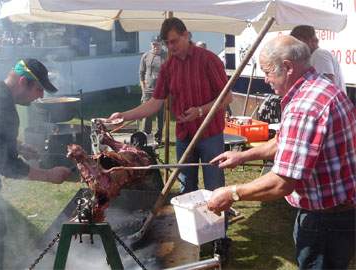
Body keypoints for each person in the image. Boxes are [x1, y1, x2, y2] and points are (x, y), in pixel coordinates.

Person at [207, 35, 356, 270]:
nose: (265, 79)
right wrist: (242, 156)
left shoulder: (305, 107)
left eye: (267, 71)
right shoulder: (318, 88)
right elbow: (283, 142)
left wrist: (232, 193)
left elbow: (282, 182)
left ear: (287, 67)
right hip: (334, 215)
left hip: (326, 221)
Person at [106, 17, 233, 258]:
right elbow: (154, 103)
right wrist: (125, 116)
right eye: (167, 43)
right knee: (187, 189)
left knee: (215, 186)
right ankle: (193, 237)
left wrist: (199, 111)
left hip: (210, 134)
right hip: (184, 135)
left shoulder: (209, 60)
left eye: (174, 41)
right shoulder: (168, 67)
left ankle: (220, 239)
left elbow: (226, 98)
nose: (171, 47)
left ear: (187, 35)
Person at [0, 58, 72, 269]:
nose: (41, 96)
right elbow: (6, 165)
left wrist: (17, 146)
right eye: (39, 89)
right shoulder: (4, 107)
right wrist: (49, 175)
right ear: (23, 81)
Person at [290, 25, 346, 93]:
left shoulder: (319, 55)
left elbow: (327, 86)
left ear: (309, 40)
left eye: (298, 43)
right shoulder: (315, 55)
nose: (296, 48)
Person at [139, 36, 166, 144]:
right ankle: (145, 136)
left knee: (161, 115)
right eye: (154, 44)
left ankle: (158, 137)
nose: (156, 46)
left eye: (158, 44)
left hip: (162, 91)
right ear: (151, 44)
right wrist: (143, 88)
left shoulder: (167, 56)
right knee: (147, 114)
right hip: (148, 90)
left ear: (161, 44)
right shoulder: (146, 56)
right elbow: (141, 73)